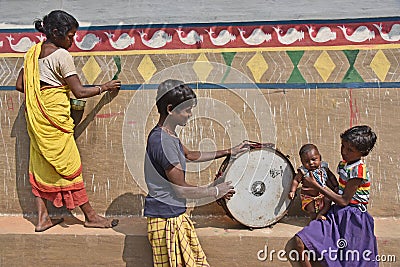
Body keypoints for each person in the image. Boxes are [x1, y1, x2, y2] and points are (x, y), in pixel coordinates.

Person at [15, 10, 121, 232]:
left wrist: (41, 92)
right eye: (70, 36)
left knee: (41, 164)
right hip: (55, 121)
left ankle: (42, 218)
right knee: (70, 165)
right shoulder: (62, 56)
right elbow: (79, 92)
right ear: (55, 33)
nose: (73, 40)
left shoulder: (32, 54)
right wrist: (104, 87)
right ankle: (90, 216)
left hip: (37, 121)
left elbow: (20, 85)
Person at [145, 79, 248, 266]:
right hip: (166, 220)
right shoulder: (163, 142)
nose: (190, 115)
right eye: (187, 110)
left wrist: (228, 151)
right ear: (170, 109)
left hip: (174, 215)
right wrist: (215, 191)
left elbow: (190, 155)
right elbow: (181, 190)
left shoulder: (168, 133)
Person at [285, 125, 378, 267]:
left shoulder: (358, 171)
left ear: (363, 153)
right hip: (338, 213)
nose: (344, 152)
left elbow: (344, 200)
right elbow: (336, 187)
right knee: (300, 241)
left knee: (351, 260)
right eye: (343, 146)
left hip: (354, 218)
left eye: (349, 150)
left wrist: (316, 185)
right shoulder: (345, 164)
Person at [288, 144, 338, 220]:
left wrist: (335, 186)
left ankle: (321, 214)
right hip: (308, 196)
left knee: (328, 201)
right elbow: (296, 180)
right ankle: (314, 220)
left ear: (320, 158)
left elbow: (330, 176)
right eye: (307, 161)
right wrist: (292, 191)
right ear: (302, 162)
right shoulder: (303, 171)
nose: (311, 163)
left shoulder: (323, 167)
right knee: (312, 210)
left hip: (322, 194)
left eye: (314, 159)